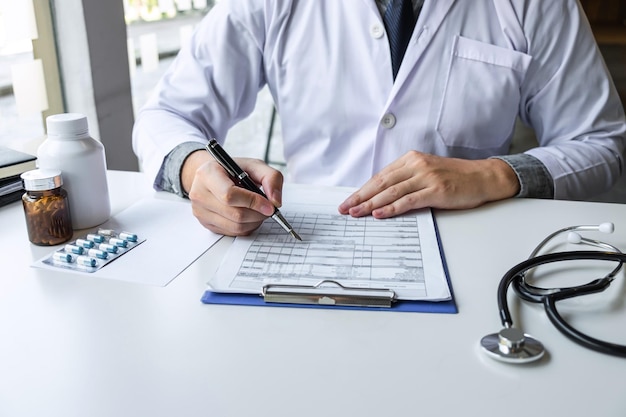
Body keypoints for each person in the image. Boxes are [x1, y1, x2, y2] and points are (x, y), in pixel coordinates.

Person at [132, 0, 626, 237]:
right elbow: (167, 113)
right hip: (311, 243)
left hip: (472, 249)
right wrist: (197, 171)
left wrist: (496, 174)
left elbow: (602, 141)